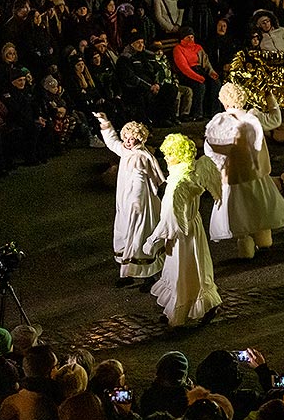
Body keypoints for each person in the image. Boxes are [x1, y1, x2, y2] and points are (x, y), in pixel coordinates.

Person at [205, 82, 284, 259]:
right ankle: (263, 238)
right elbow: (276, 120)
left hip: (232, 175)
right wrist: (270, 98)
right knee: (259, 205)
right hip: (256, 172)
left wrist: (220, 165)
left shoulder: (219, 121)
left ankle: (245, 246)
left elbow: (210, 149)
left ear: (223, 101)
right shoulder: (253, 117)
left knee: (238, 212)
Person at [145, 134, 222, 326]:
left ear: (177, 155)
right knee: (195, 269)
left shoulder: (177, 184)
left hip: (181, 233)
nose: (166, 158)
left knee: (182, 272)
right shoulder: (196, 169)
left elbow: (169, 220)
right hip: (192, 227)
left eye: (169, 154)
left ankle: (180, 315)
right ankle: (201, 306)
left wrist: (152, 240)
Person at [95, 114, 165, 289]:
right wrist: (105, 122)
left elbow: (140, 181)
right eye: (125, 137)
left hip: (138, 203)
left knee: (139, 235)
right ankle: (128, 271)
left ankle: (148, 276)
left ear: (139, 139)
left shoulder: (140, 156)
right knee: (125, 233)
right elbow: (112, 142)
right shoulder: (127, 151)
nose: (127, 141)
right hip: (125, 201)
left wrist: (136, 203)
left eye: (131, 138)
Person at [173, 26, 219, 121]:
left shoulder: (198, 47)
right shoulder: (178, 49)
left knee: (215, 82)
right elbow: (184, 68)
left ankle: (214, 112)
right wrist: (198, 77)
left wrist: (211, 72)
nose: (190, 39)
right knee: (199, 86)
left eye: (192, 37)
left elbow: (206, 62)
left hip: (200, 70)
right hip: (187, 74)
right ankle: (197, 114)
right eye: (188, 37)